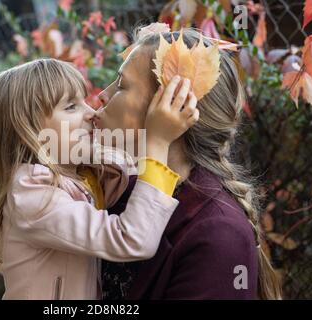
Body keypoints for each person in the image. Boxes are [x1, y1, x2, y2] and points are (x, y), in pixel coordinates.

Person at [0, 58, 199, 299]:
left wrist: (146, 53)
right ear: (27, 130)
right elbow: (132, 239)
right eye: (71, 107)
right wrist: (158, 142)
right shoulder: (32, 193)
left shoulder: (84, 173)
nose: (92, 113)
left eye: (84, 102)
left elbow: (125, 160)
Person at [96, 27, 282, 299]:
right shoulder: (121, 192)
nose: (102, 95)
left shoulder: (217, 233)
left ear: (172, 107)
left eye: (122, 85)